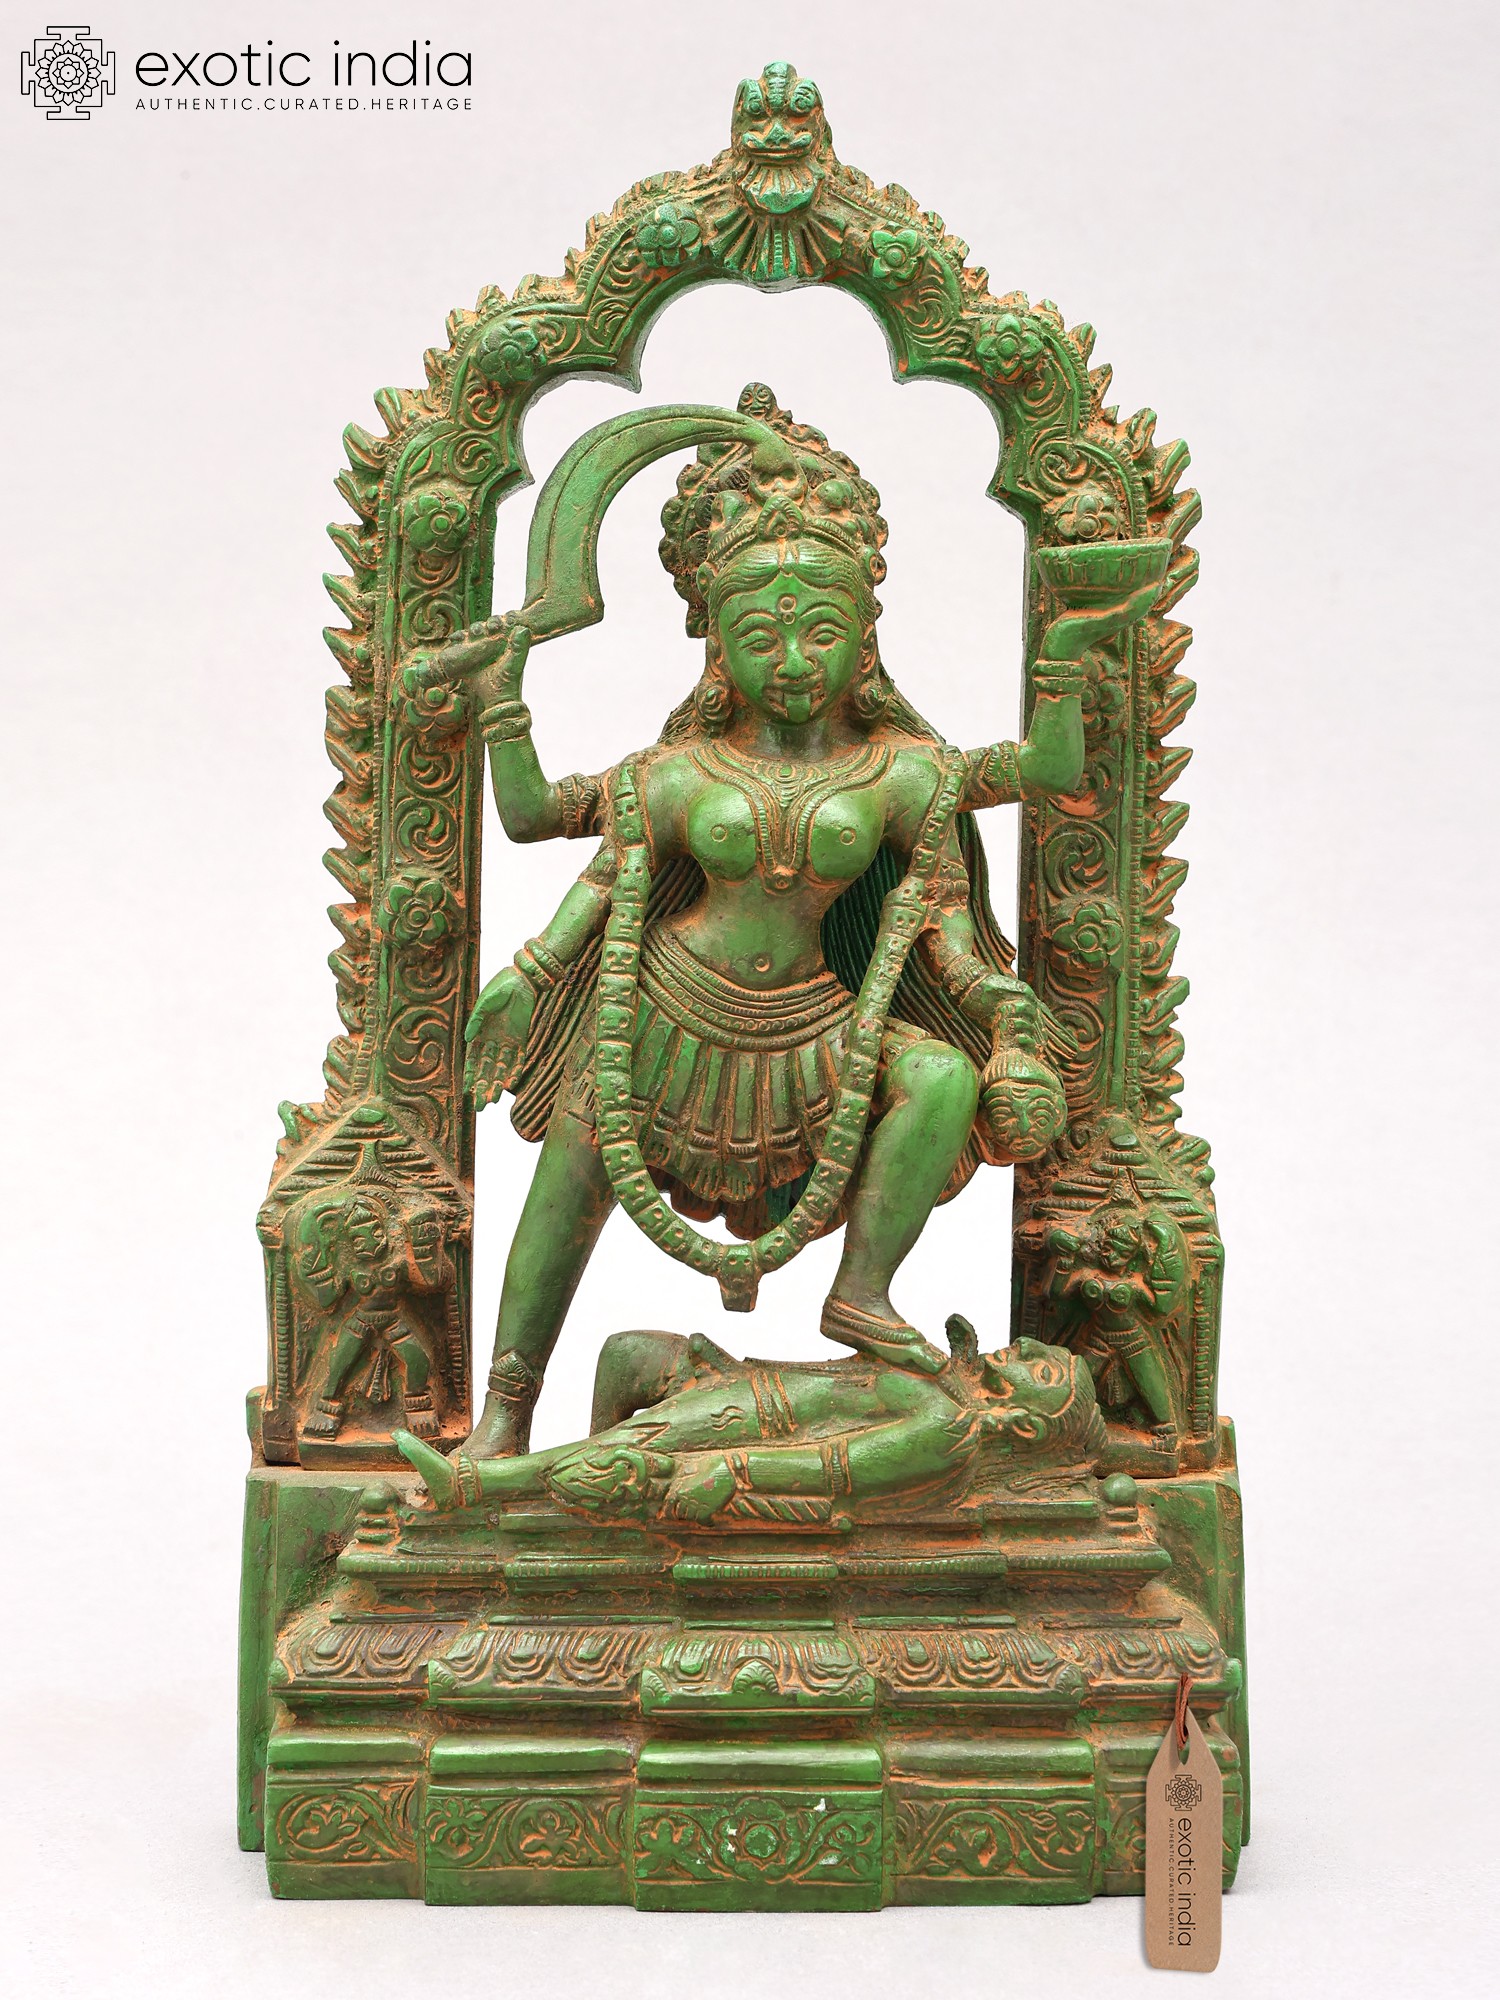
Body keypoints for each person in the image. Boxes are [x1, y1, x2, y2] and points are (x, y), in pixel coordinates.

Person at [435, 385, 1110, 1457]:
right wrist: (500, 708)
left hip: (816, 1027)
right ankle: (505, 1412)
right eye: (762, 636)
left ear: (864, 643)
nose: (794, 661)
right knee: (572, 1174)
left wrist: (1070, 653)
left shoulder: (900, 774)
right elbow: (540, 825)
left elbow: (1038, 780)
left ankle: (862, 1292)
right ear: (718, 648)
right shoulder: (678, 773)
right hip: (659, 1015)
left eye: (820, 633)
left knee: (939, 1078)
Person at [395, 1325, 1105, 1523]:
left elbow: (836, 1467)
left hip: (754, 1424)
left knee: (624, 1450)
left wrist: (734, 1468)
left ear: (1025, 1427)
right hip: (747, 1384)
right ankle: (584, 1507)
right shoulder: (945, 1382)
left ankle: (476, 1486)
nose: (1029, 1347)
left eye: (1041, 1371)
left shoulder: (946, 1428)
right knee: (626, 1355)